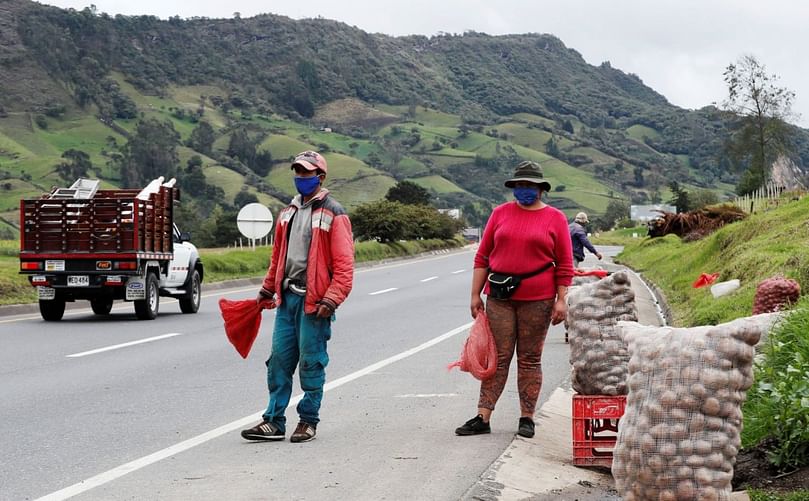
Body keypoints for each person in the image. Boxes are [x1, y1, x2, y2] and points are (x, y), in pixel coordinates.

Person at [241, 150, 354, 444]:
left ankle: (307, 420)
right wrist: (267, 288)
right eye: (298, 172)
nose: (301, 178)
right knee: (279, 361)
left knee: (311, 362)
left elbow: (344, 264)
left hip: (315, 303)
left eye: (307, 173)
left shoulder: (334, 213)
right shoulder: (287, 213)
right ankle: (274, 421)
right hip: (287, 299)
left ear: (321, 177)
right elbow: (278, 256)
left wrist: (331, 299)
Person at [456, 160, 574, 439]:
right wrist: (475, 294)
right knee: (498, 358)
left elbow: (565, 265)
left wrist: (561, 300)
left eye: (530, 186)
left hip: (539, 299)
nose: (524, 190)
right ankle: (483, 416)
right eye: (520, 185)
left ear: (540, 189)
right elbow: (483, 256)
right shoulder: (500, 214)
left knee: (530, 359)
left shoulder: (555, 218)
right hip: (499, 298)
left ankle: (527, 417)